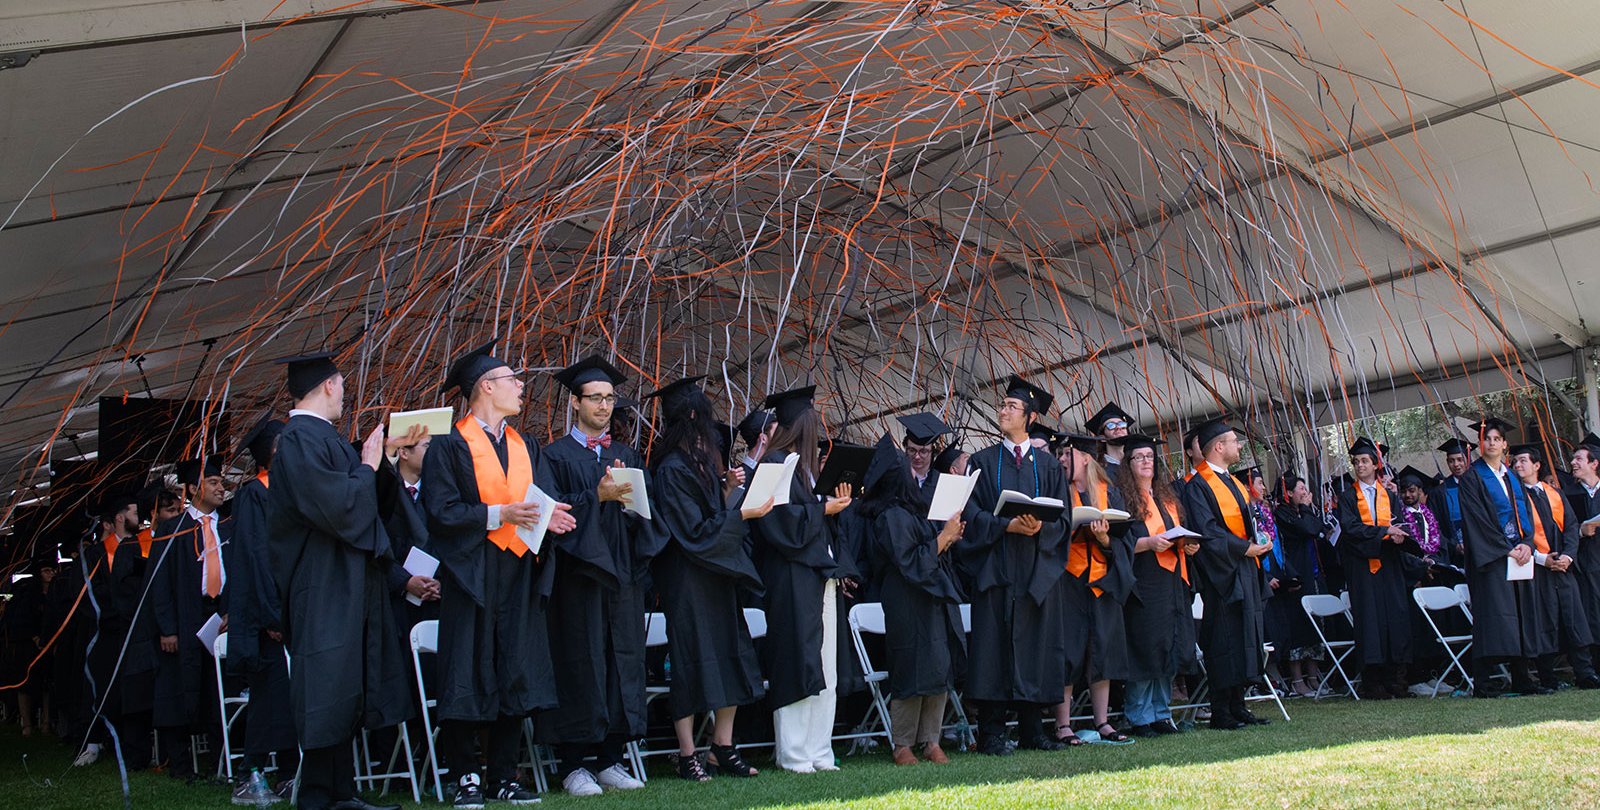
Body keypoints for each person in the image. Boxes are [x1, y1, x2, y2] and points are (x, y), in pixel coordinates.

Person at [420, 340, 582, 807]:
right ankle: (466, 775)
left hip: (518, 574)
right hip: (472, 577)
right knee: (466, 674)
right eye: (513, 380)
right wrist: (501, 514)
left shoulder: (525, 444)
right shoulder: (449, 448)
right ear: (486, 387)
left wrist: (548, 517)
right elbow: (442, 513)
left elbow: (539, 497)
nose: (520, 387)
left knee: (515, 673)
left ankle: (504, 776)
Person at [268, 351, 410, 810]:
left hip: (345, 581)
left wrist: (385, 462)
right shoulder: (298, 440)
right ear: (329, 385)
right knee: (327, 687)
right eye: (343, 386)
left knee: (344, 685)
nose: (345, 396)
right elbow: (338, 507)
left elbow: (370, 505)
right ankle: (317, 796)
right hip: (323, 583)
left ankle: (340, 794)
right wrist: (368, 466)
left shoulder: (321, 438)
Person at [539, 355, 657, 796]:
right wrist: (597, 495)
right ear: (575, 403)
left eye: (610, 398)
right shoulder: (552, 455)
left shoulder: (624, 455)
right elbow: (554, 513)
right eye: (595, 398)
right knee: (579, 660)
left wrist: (632, 510)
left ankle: (610, 758)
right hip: (578, 577)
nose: (605, 406)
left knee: (620, 661)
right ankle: (573, 765)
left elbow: (647, 521)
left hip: (621, 576)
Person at [644, 376, 769, 782]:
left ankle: (722, 747)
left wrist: (729, 493)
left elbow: (715, 519)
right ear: (694, 418)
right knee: (691, 662)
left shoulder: (696, 465)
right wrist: (742, 514)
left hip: (716, 576)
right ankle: (687, 753)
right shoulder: (670, 470)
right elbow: (695, 533)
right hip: (687, 579)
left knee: (730, 656)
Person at [954, 376, 1071, 755]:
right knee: (994, 651)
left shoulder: (1049, 466)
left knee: (1035, 650)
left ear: (1030, 417)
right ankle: (991, 733)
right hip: (998, 570)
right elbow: (969, 514)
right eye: (1002, 405)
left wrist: (1039, 528)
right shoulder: (982, 461)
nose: (1003, 411)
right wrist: (1006, 524)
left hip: (1037, 572)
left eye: (1011, 407)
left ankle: (1034, 731)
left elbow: (1064, 520)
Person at [748, 385, 853, 773]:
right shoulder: (774, 464)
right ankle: (793, 752)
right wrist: (823, 509)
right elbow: (778, 523)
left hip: (819, 574)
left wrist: (833, 505)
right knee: (798, 660)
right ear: (801, 427)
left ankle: (819, 749)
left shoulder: (806, 470)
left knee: (825, 664)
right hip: (790, 575)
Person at [858, 434, 965, 766]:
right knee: (909, 666)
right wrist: (944, 537)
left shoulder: (914, 509)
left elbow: (927, 554)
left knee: (937, 665)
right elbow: (909, 561)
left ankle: (931, 740)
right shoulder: (890, 515)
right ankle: (902, 743)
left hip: (931, 593)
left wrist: (947, 538)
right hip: (905, 596)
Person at [226, 417, 300, 803]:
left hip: (287, 611)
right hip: (265, 619)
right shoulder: (254, 493)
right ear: (273, 451)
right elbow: (257, 559)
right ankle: (248, 774)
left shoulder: (287, 491)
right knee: (268, 697)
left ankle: (288, 774)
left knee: (287, 697)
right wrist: (273, 615)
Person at [1181, 419, 1271, 730]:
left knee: (1245, 638)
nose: (1239, 446)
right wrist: (1242, 549)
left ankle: (1239, 706)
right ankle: (1221, 711)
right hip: (1221, 575)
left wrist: (1260, 542)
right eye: (1234, 441)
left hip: (1244, 568)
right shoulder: (1197, 486)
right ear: (1219, 447)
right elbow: (1206, 531)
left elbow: (1248, 521)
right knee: (1224, 640)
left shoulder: (1233, 482)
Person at [1456, 417, 1552, 698]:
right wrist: (1505, 548)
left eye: (1497, 439)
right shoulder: (1472, 477)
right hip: (1492, 559)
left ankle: (1522, 678)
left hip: (1517, 556)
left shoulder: (1511, 476)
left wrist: (1525, 543)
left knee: (1521, 615)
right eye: (1487, 439)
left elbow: (1526, 514)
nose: (1491, 443)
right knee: (1492, 618)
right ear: (1479, 443)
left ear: (1504, 444)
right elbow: (1477, 520)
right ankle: (1484, 683)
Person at [149, 456, 231, 781]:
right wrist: (167, 628)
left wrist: (231, 610)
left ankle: (218, 762)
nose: (221, 488)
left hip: (218, 616)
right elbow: (160, 583)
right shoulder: (172, 530)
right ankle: (182, 766)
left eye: (222, 482)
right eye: (213, 483)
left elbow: (236, 572)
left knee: (215, 689)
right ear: (195, 488)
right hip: (185, 615)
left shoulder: (229, 526)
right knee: (178, 688)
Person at [1053, 431, 1132, 745]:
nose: (1060, 460)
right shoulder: (1059, 491)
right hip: (1068, 580)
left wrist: (1104, 539)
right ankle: (1063, 725)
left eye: (1065, 454)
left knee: (1103, 651)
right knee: (1068, 652)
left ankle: (1103, 722)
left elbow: (1123, 540)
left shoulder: (1108, 493)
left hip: (1102, 581)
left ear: (1084, 458)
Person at [1115, 435, 1197, 737]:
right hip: (1143, 579)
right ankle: (1139, 716)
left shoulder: (1166, 497)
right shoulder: (1122, 498)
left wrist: (1188, 545)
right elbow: (1118, 542)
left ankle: (1162, 713)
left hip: (1172, 578)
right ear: (1128, 463)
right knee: (1145, 646)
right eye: (1139, 457)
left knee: (1167, 646)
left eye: (1150, 456)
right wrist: (1148, 543)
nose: (1147, 461)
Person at [1510, 444, 1600, 690]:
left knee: (1575, 620)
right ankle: (1548, 677)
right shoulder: (1515, 499)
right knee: (1544, 622)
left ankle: (1585, 673)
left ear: (1537, 466)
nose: (1518, 466)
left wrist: (1568, 557)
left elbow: (1572, 527)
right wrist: (1542, 558)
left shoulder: (1555, 493)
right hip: (1538, 568)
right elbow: (1516, 535)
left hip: (1564, 567)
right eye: (1515, 462)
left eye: (1523, 461)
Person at [78, 492, 155, 772]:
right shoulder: (98, 553)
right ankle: (95, 740)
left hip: (135, 632)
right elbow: (90, 594)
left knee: (133, 691)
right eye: (135, 512)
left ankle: (128, 742)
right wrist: (115, 614)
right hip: (108, 631)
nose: (140, 517)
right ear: (120, 517)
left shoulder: (142, 545)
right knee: (103, 688)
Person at [1334, 438, 1414, 699]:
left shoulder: (1389, 495)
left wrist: (1399, 534)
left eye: (1364, 461)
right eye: (1356, 462)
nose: (1359, 465)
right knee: (1370, 623)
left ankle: (1398, 682)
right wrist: (1383, 532)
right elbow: (1351, 529)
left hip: (1390, 565)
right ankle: (1373, 684)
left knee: (1395, 620)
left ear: (1375, 464)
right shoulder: (1347, 498)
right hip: (1363, 567)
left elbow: (1399, 523)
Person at [1269, 475, 1327, 697]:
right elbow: (1308, 529)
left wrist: (1307, 510)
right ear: (1289, 493)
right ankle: (1297, 680)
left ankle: (1313, 677)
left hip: (1313, 573)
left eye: (1305, 487)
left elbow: (1318, 528)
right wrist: (1306, 509)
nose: (1305, 492)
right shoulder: (1282, 514)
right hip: (1296, 576)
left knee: (1314, 627)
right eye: (1300, 488)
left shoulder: (1304, 510)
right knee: (1298, 629)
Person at [1568, 433, 1600, 666]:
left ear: (1594, 463)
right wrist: (1580, 531)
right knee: (1590, 614)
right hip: (1584, 565)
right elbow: (1561, 530)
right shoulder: (1568, 496)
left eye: (1579, 459)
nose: (1573, 463)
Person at [1431, 439, 1475, 568]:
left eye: (1460, 459)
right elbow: (1434, 525)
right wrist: (1453, 544)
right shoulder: (1439, 492)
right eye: (1451, 460)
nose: (1456, 464)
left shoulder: (1480, 485)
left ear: (1468, 459)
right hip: (1456, 554)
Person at [898, 413, 952, 505]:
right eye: (912, 450)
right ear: (906, 448)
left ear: (932, 452)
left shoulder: (941, 482)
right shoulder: (897, 478)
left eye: (923, 451)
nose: (917, 456)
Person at [1086, 402, 1134, 471]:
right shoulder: (1098, 469)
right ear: (1102, 438)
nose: (1118, 428)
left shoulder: (1135, 463)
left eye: (1122, 424)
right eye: (1111, 425)